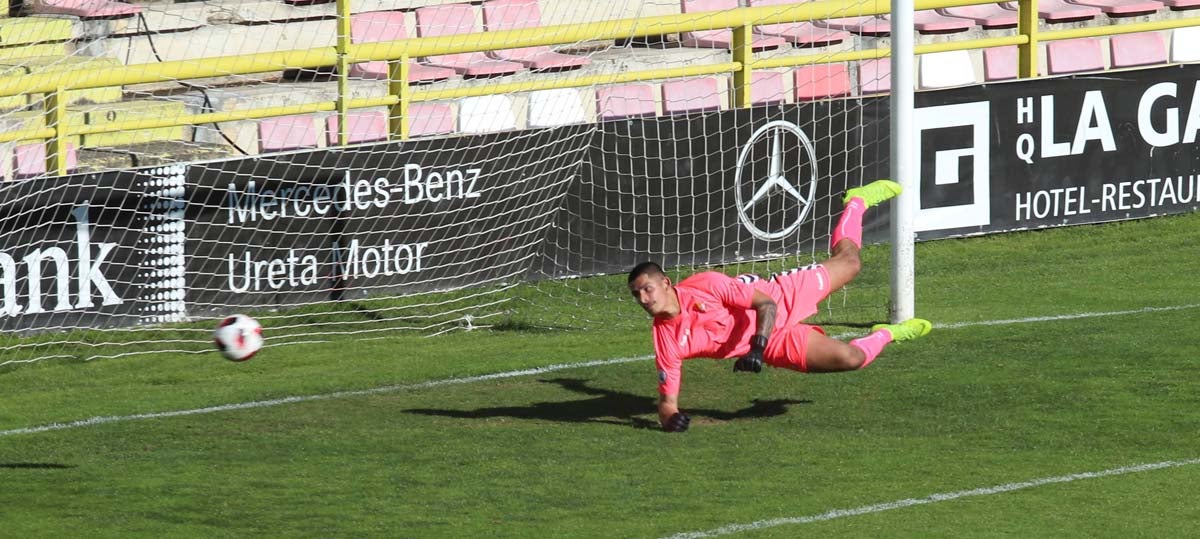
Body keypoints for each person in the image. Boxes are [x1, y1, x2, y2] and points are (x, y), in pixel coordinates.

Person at [627, 179, 932, 432]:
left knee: (850, 264)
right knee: (850, 358)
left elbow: (767, 304)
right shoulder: (665, 337)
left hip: (781, 296)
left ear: (666, 283)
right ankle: (888, 334)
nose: (643, 299)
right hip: (772, 344)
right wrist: (670, 418)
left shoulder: (706, 285)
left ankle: (857, 202)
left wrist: (756, 347)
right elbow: (667, 402)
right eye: (637, 295)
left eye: (647, 289)